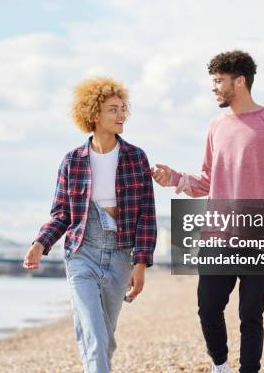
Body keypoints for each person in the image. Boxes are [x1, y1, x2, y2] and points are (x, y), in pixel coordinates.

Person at [151, 50, 264, 373]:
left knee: (250, 315)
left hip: (257, 235)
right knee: (208, 308)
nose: (214, 88)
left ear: (240, 81)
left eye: (219, 81)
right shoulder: (216, 125)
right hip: (217, 235)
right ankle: (220, 366)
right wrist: (175, 179)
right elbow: (208, 179)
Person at [23, 77, 157, 373]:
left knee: (105, 339)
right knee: (95, 336)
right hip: (81, 252)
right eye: (113, 110)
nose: (121, 115)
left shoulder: (136, 158)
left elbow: (146, 215)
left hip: (120, 254)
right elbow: (61, 213)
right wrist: (40, 243)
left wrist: (141, 264)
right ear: (94, 114)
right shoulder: (73, 161)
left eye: (123, 109)